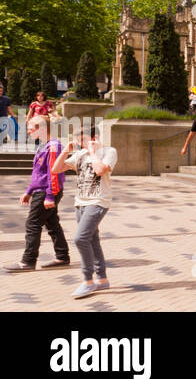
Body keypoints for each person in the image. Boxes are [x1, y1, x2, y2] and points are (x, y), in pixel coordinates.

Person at [52, 127, 117, 299]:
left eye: (84, 139)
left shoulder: (109, 151)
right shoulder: (80, 154)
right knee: (92, 240)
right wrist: (66, 150)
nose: (81, 143)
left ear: (95, 137)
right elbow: (56, 169)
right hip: (80, 203)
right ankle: (102, 280)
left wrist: (92, 152)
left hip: (98, 202)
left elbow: (100, 170)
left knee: (80, 239)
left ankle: (88, 281)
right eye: (79, 140)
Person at [6, 114, 70, 272]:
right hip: (42, 190)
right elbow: (38, 173)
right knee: (52, 223)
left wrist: (49, 195)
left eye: (30, 129)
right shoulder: (44, 145)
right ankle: (62, 256)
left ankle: (28, 261)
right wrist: (29, 191)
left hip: (47, 191)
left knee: (33, 224)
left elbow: (53, 173)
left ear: (41, 129)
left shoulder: (53, 146)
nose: (28, 132)